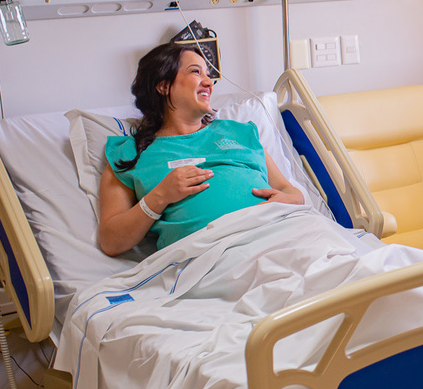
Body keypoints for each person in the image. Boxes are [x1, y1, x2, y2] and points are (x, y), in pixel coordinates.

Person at [97, 43, 304, 257]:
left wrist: (290, 201)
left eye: (208, 74)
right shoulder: (131, 154)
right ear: (163, 85)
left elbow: (290, 191)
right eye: (196, 72)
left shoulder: (240, 133)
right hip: (213, 256)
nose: (209, 82)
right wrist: (160, 196)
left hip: (279, 234)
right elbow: (111, 241)